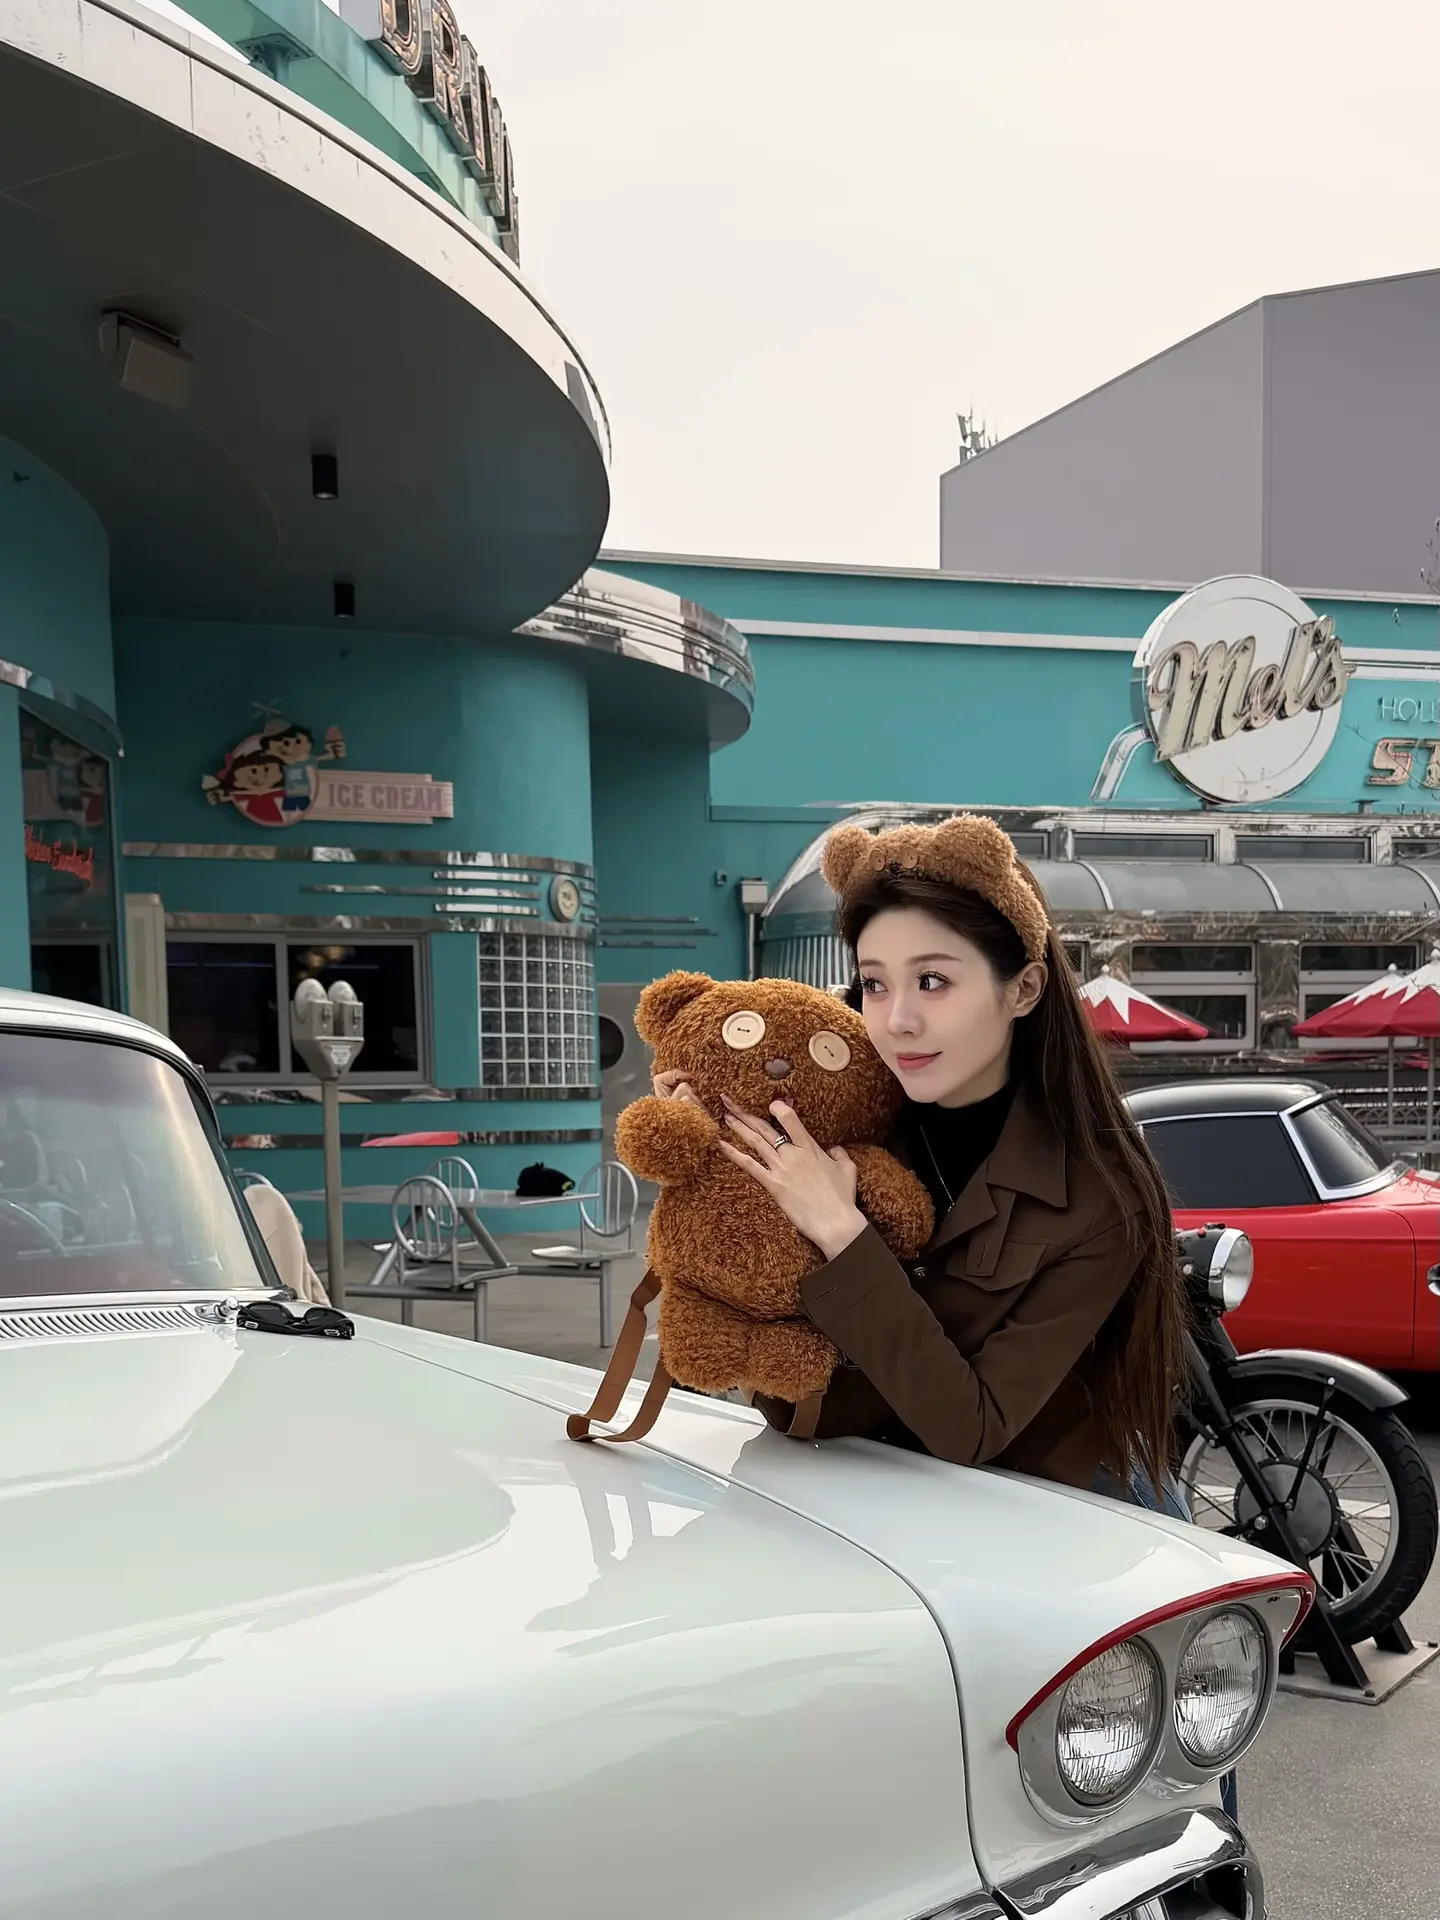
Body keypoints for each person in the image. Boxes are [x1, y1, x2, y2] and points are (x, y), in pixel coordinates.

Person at [654, 815, 1239, 1821]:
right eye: (873, 983)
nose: (896, 1021)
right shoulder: (850, 1110)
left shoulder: (1097, 1193)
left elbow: (973, 1426)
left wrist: (842, 1234)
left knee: (1109, 1834)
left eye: (934, 981)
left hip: (1059, 1544)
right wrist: (704, 1146)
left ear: (1023, 988)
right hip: (862, 1524)